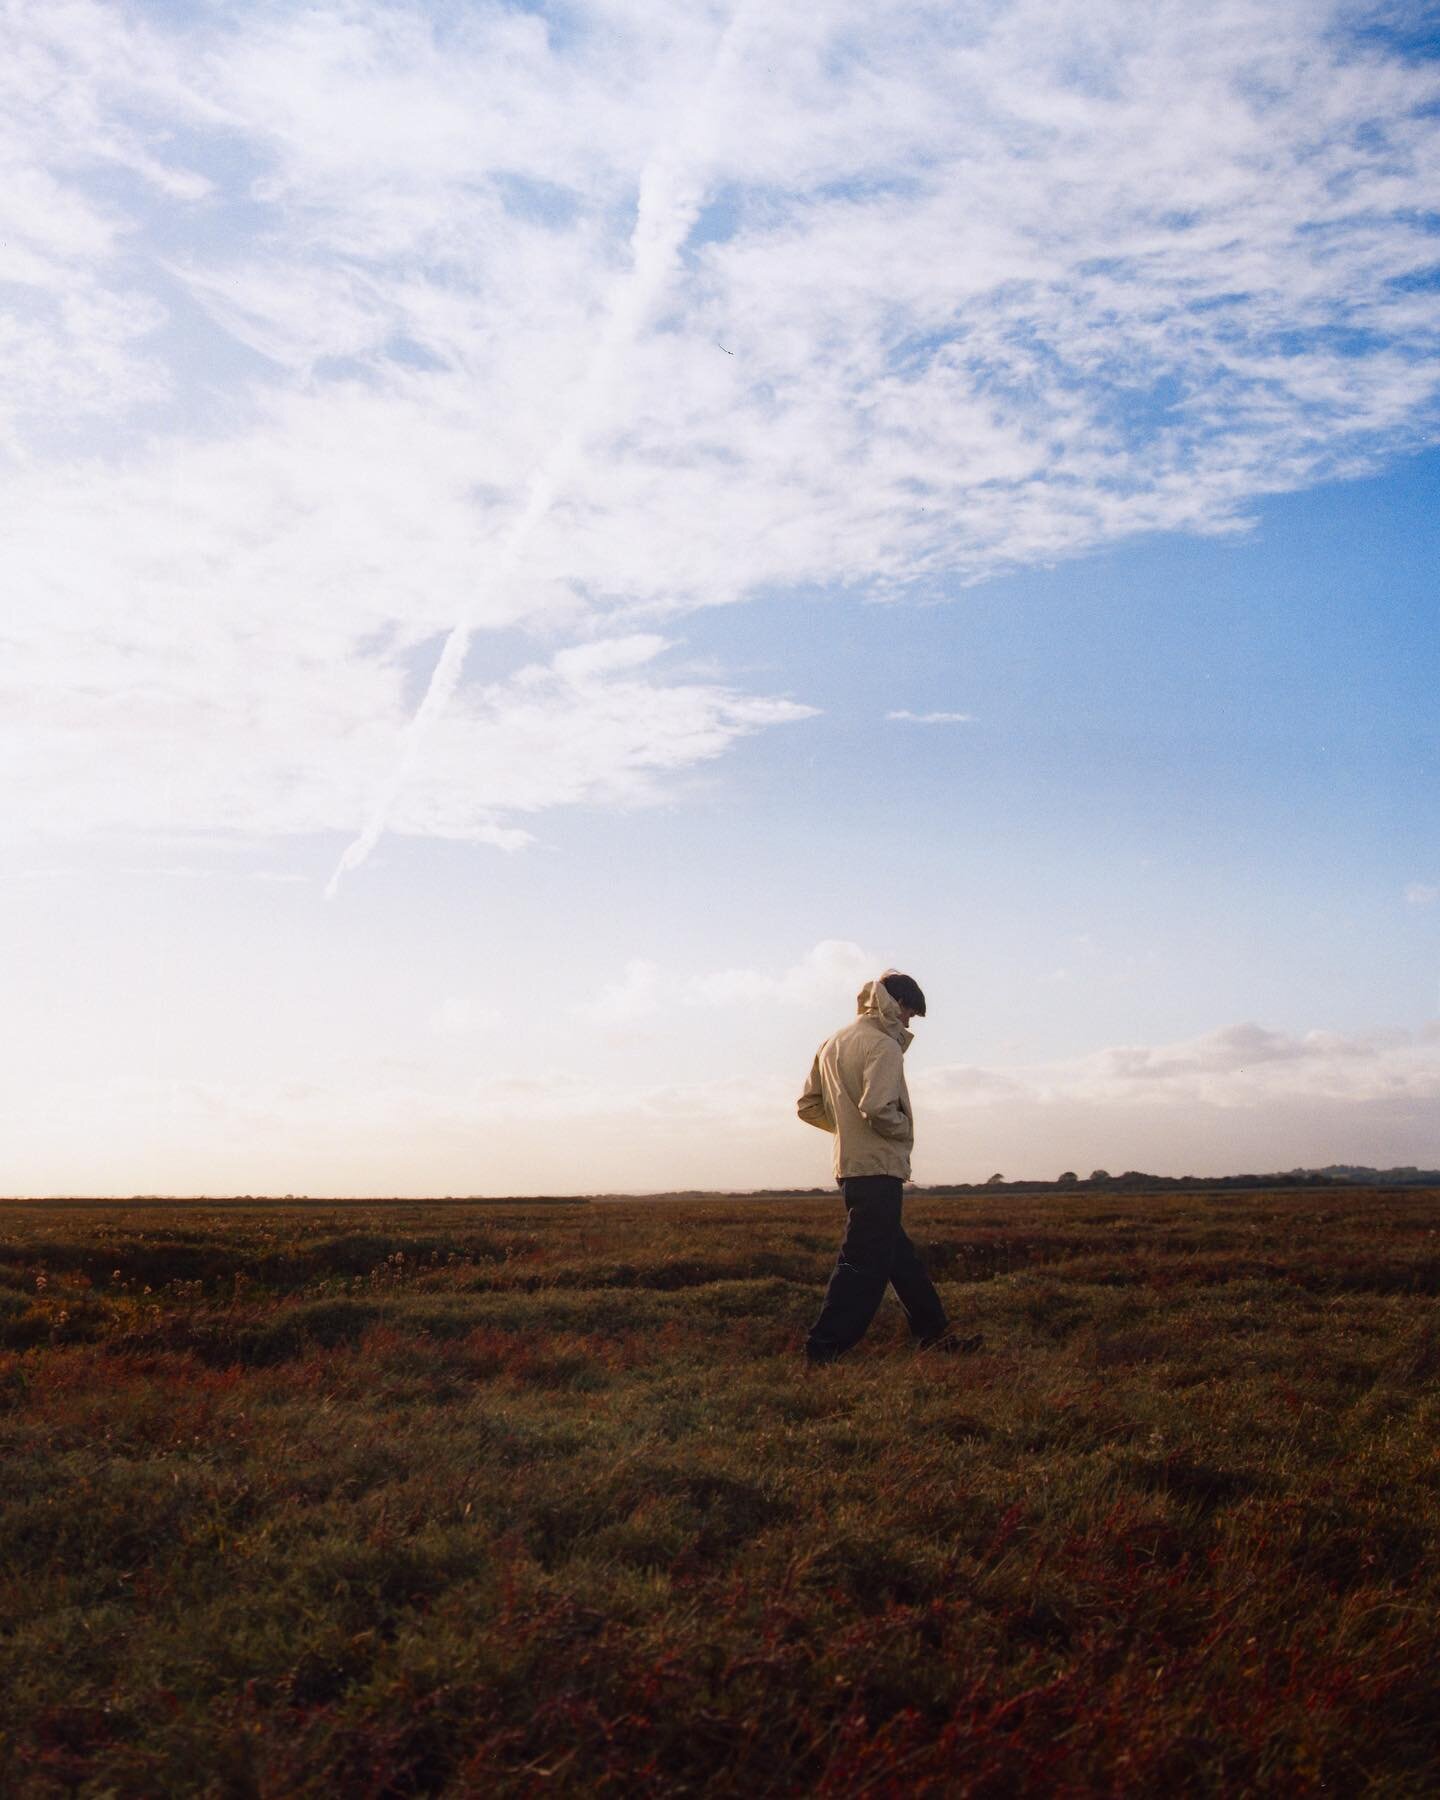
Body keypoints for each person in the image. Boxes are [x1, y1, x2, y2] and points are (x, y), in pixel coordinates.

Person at [797, 970, 982, 1364]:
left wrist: (847, 1130)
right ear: (897, 1004)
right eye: (911, 1014)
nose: (910, 1022)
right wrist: (902, 1130)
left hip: (850, 1166)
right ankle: (823, 1348)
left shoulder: (833, 1042)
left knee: (900, 1259)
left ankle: (935, 1334)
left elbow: (807, 1106)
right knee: (862, 1263)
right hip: (877, 1169)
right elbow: (878, 1108)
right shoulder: (884, 1045)